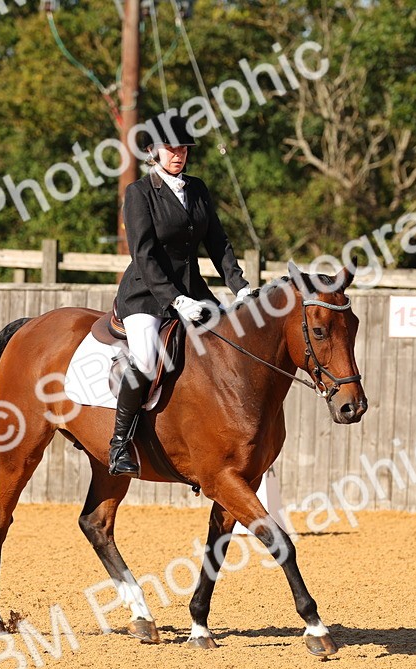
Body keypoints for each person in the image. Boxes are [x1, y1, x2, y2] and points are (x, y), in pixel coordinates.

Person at [108, 109, 255, 477]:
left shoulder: (198, 189)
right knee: (144, 359)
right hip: (146, 295)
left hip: (194, 292)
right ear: (153, 151)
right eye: (171, 149)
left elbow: (218, 243)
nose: (179, 155)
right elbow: (143, 254)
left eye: (184, 149)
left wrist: (240, 287)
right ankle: (119, 443)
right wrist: (173, 299)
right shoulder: (140, 193)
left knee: (232, 346)